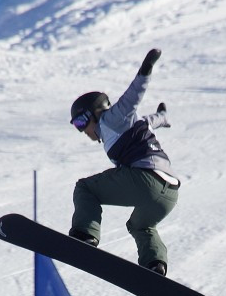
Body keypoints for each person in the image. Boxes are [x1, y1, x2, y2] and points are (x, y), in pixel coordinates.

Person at [67, 48, 180, 276]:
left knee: (85, 188)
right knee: (141, 225)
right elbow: (153, 120)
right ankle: (154, 264)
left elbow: (133, 95)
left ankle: (85, 235)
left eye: (80, 122)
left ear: (94, 113)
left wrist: (146, 68)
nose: (82, 131)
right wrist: (164, 116)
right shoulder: (133, 124)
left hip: (145, 179)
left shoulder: (112, 118)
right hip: (169, 193)